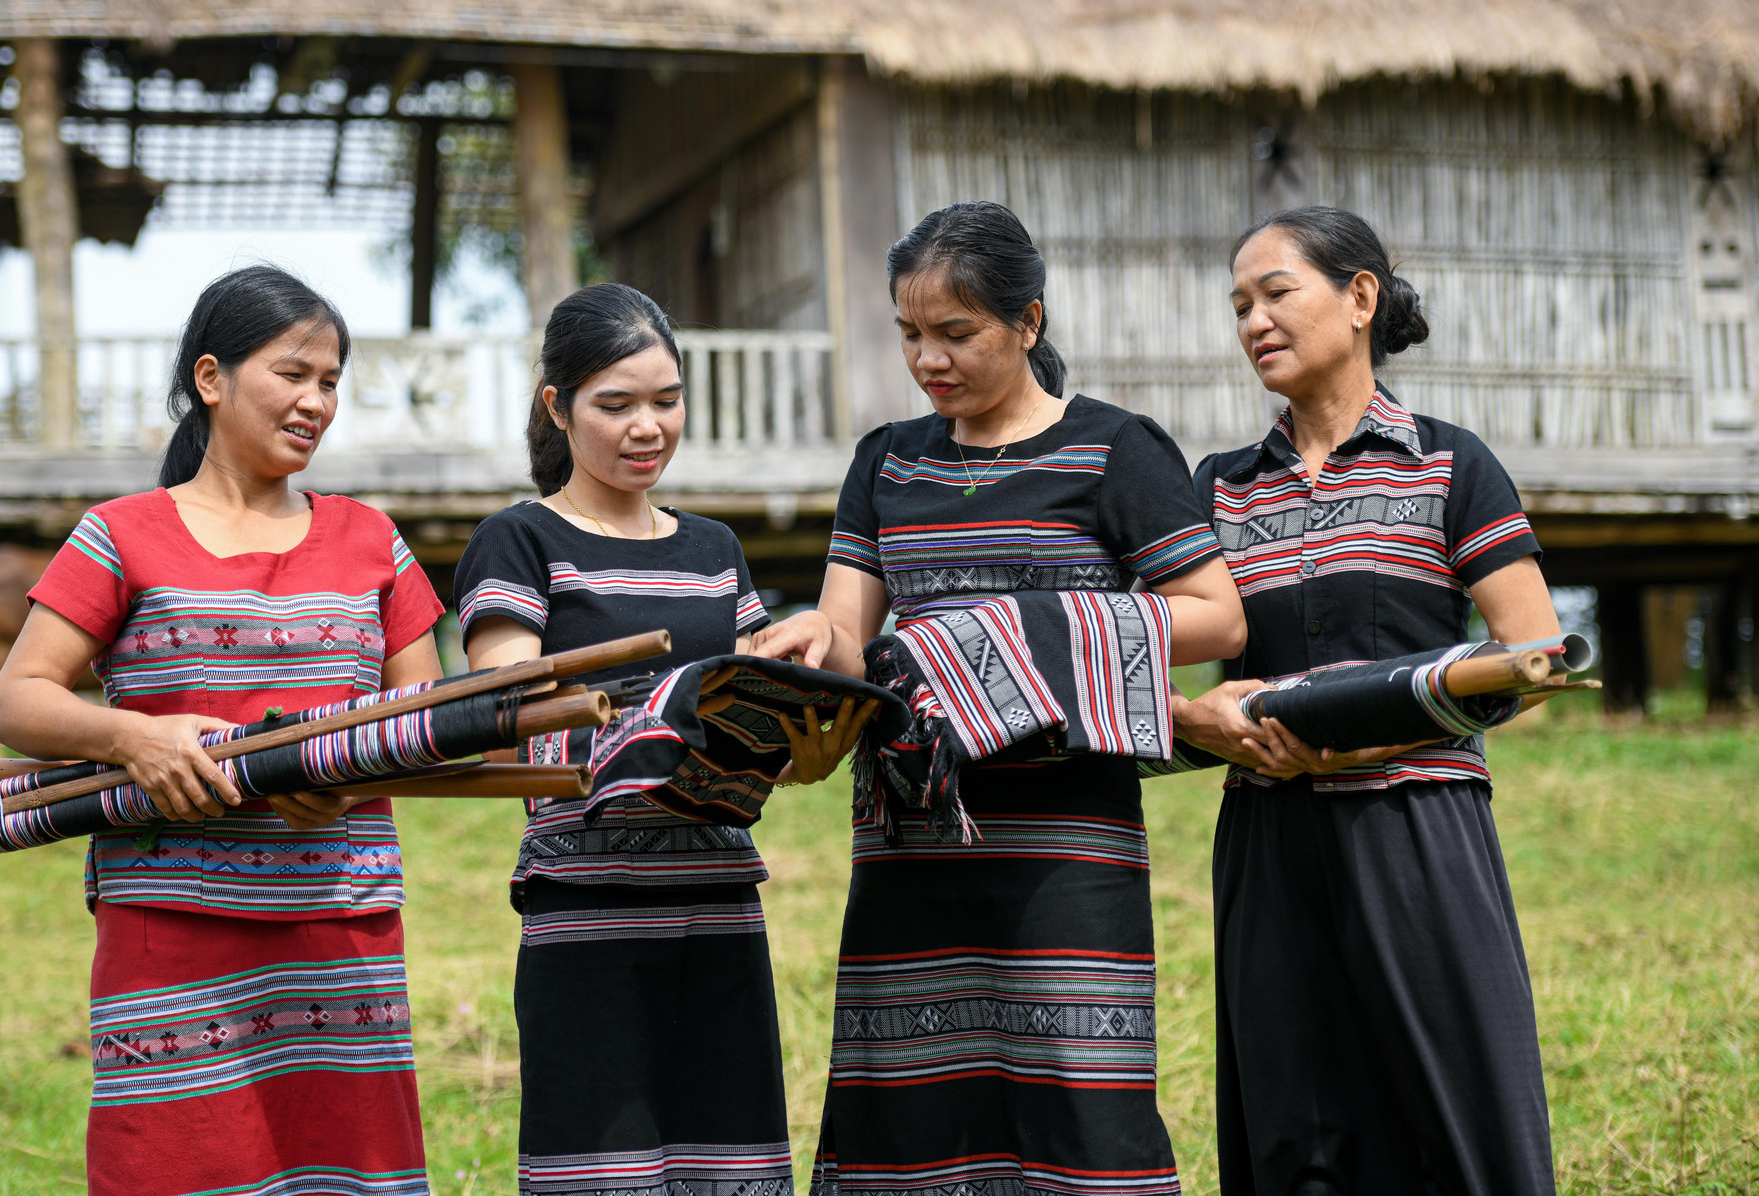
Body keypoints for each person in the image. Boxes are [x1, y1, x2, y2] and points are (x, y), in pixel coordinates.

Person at [753, 201, 1248, 1195]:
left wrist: (1020, 640)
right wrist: (814, 639)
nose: (926, 359)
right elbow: (851, 633)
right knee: (912, 1105)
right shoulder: (886, 462)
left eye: (953, 333)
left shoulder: (1113, 450)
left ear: (1026, 323)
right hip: (912, 840)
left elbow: (1215, 617)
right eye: (907, 334)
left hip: (1065, 842)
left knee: (1080, 1099)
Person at [0, 266, 444, 1196]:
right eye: (293, 373)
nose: (316, 401)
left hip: (336, 923)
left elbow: (424, 720)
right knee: (178, 1166)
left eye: (330, 383)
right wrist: (134, 739)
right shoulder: (119, 535)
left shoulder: (372, 540)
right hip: (171, 923)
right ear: (211, 378)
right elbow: (15, 703)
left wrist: (349, 782)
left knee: (345, 1173)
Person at [1174, 206, 1559, 1196]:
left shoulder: (1447, 463)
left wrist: (1379, 729)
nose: (1251, 321)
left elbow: (1534, 656)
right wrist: (1203, 721)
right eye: (1237, 305)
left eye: (1273, 293)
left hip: (1415, 826)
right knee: (1294, 1121)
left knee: (1455, 1104)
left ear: (1358, 298)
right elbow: (1158, 658)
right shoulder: (1216, 489)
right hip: (1267, 836)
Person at [454, 284, 810, 1196]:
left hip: (718, 898)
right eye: (615, 404)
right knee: (597, 1162)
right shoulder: (519, 540)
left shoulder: (714, 549)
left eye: (666, 399)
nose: (646, 426)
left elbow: (757, 699)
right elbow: (507, 717)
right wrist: (642, 735)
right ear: (556, 408)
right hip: (587, 905)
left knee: (726, 1158)